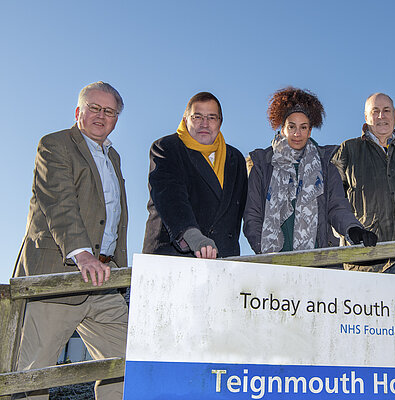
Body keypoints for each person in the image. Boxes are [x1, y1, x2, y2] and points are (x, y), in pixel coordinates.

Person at [13, 82, 129, 399]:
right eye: (94, 107)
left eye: (109, 111)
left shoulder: (113, 157)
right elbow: (59, 204)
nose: (101, 116)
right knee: (31, 376)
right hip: (60, 275)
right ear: (78, 111)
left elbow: (113, 218)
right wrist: (83, 255)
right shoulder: (55, 145)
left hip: (104, 280)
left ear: (117, 118)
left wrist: (117, 269)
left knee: (127, 365)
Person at [243, 87, 377, 254]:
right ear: (282, 128)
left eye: (303, 127)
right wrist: (264, 254)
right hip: (274, 264)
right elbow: (252, 216)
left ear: (310, 130)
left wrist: (353, 229)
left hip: (318, 263)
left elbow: (337, 207)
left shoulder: (326, 165)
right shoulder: (262, 165)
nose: (297, 133)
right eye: (291, 127)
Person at [332, 93, 395, 275]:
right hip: (365, 261)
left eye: (386, 111)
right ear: (366, 116)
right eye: (375, 111)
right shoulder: (348, 150)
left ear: (394, 114)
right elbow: (335, 202)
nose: (381, 116)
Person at [143, 92, 247, 258]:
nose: (204, 124)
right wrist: (193, 236)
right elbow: (171, 196)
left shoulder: (236, 158)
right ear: (185, 119)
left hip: (223, 259)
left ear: (220, 122)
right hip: (174, 257)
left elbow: (242, 211)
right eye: (197, 117)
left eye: (212, 117)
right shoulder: (167, 148)